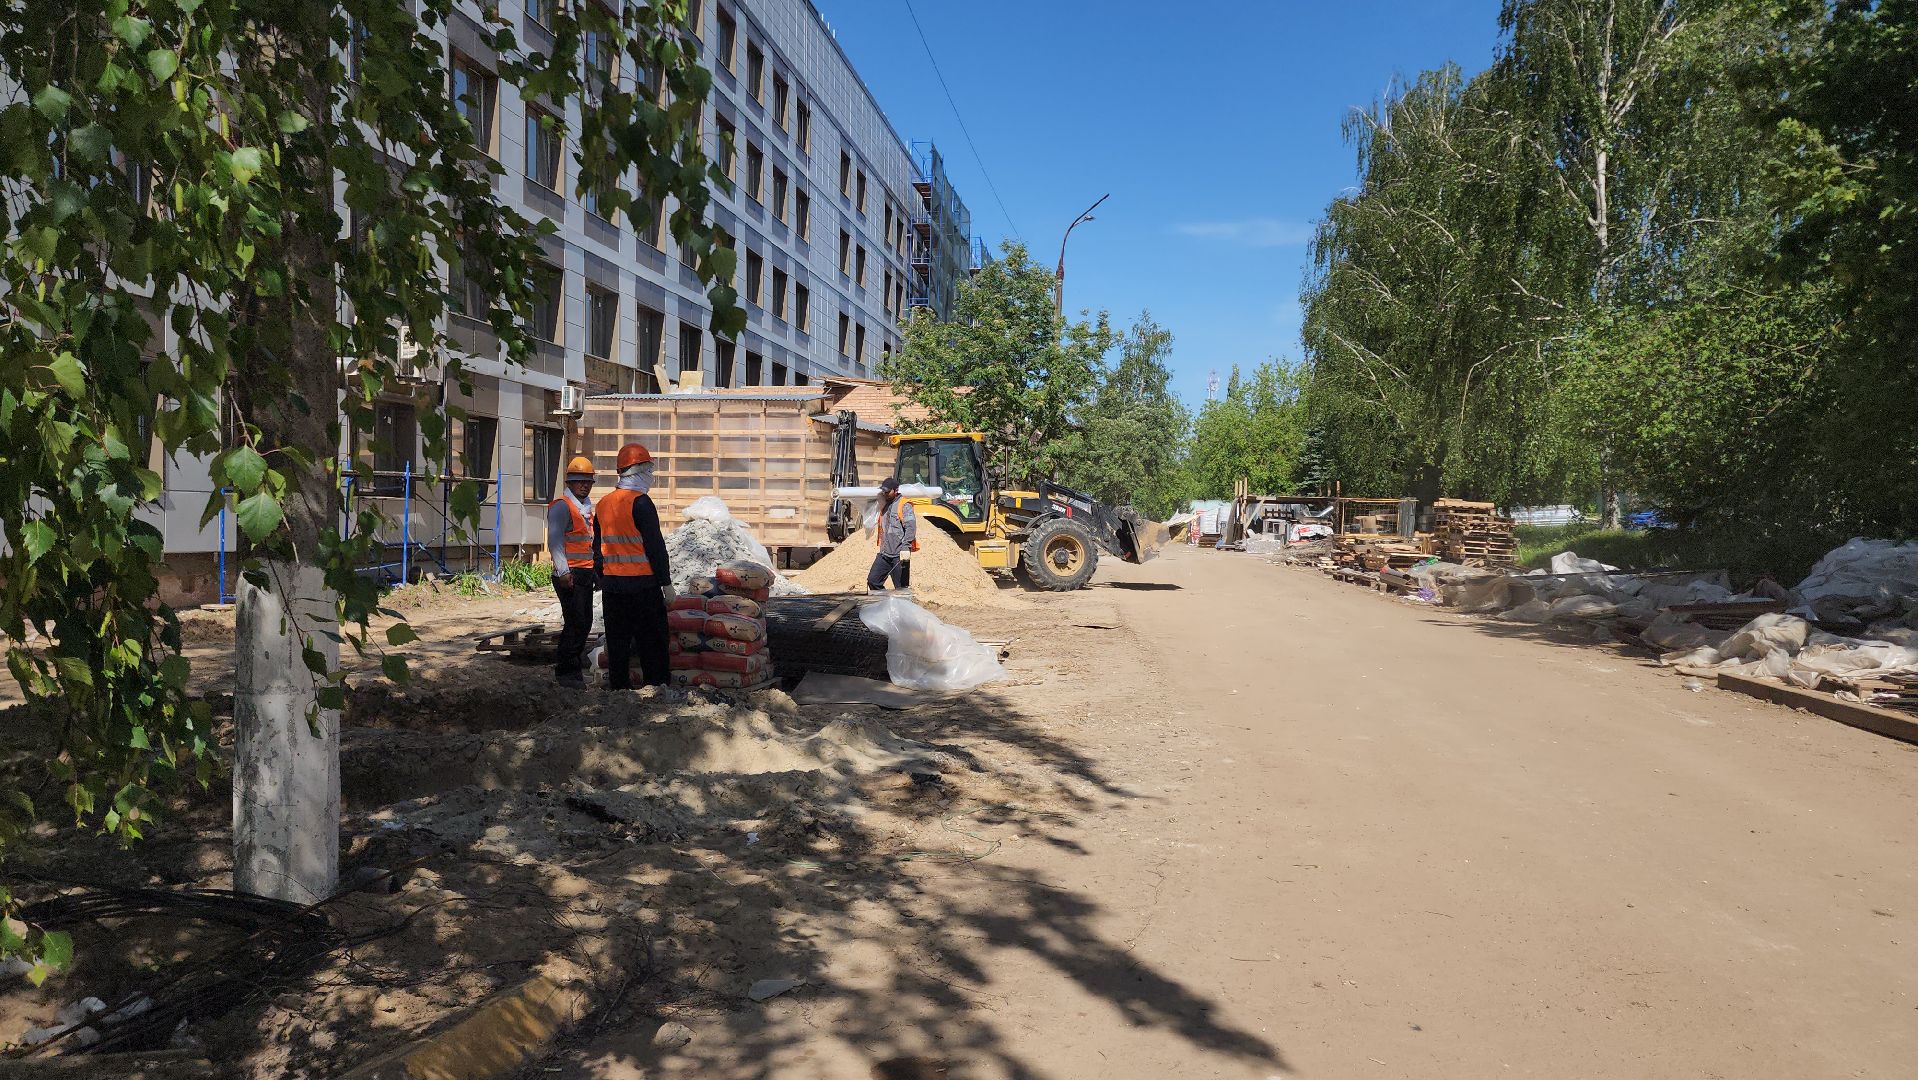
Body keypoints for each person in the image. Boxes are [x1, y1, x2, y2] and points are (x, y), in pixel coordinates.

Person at [594, 442, 674, 690]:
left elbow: (597, 548)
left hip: (613, 588)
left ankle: (619, 691)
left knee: (618, 643)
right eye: (648, 469)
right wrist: (666, 583)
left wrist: (602, 578)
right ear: (637, 471)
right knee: (652, 640)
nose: (650, 476)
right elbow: (655, 547)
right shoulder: (641, 503)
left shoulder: (603, 504)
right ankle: (656, 688)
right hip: (643, 586)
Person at [548, 456, 600, 687]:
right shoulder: (562, 506)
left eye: (588, 481)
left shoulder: (585, 508)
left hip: (584, 572)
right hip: (570, 575)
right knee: (576, 623)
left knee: (583, 622)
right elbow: (555, 541)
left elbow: (586, 543)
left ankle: (572, 672)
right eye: (579, 481)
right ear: (569, 482)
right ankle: (567, 673)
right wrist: (563, 572)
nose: (584, 485)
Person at [866, 476, 918, 591]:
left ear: (896, 490)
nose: (884, 493)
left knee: (901, 589)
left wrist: (906, 546)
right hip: (884, 554)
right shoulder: (884, 504)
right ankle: (886, 605)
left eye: (887, 491)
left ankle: (902, 608)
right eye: (883, 491)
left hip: (899, 555)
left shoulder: (904, 505)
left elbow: (911, 527)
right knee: (873, 581)